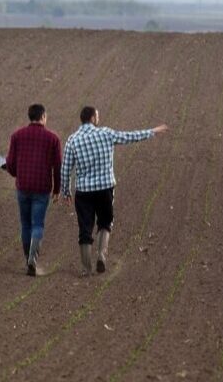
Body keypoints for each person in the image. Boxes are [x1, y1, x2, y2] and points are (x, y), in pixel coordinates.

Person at [61, 106, 168, 276]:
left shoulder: (72, 140)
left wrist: (65, 191)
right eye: (97, 115)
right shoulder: (106, 133)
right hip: (105, 189)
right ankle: (102, 256)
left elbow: (65, 169)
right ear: (92, 118)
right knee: (105, 222)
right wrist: (152, 131)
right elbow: (130, 137)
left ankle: (85, 268)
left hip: (84, 192)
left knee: (85, 228)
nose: (99, 117)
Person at [5, 104, 62, 276]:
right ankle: (33, 259)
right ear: (43, 117)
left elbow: (11, 164)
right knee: (38, 224)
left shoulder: (17, 136)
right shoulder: (53, 139)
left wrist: (16, 173)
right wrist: (57, 189)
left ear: (30, 117)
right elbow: (57, 167)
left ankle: (27, 258)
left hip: (23, 187)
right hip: (42, 188)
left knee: (25, 225)